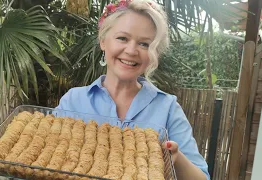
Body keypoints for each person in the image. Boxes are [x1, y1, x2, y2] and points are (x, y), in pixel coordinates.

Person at [56, 0, 209, 179]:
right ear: (103, 41)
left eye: (144, 44)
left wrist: (176, 157)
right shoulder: (73, 101)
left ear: (154, 53)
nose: (131, 50)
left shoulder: (168, 108)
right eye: (122, 38)